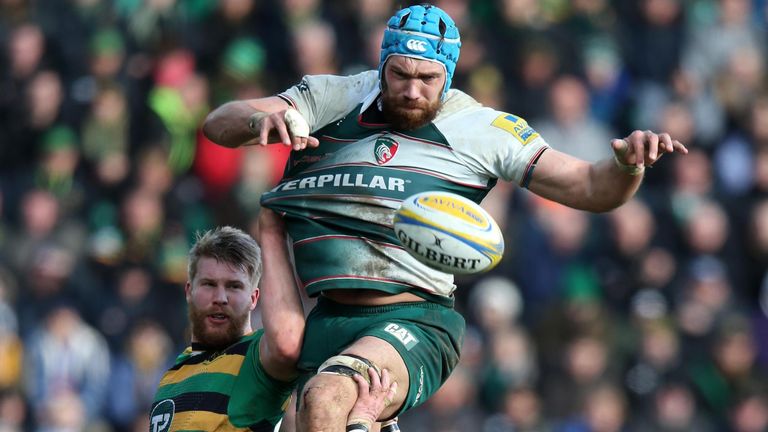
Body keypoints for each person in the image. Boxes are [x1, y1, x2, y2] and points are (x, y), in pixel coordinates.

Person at [202, 4, 688, 431]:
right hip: (325, 315)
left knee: (329, 397)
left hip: (415, 318)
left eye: (427, 78)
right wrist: (255, 121)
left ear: (449, 74)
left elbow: (589, 187)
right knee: (250, 417)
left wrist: (627, 165)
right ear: (382, 65)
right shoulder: (332, 97)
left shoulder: (484, 129)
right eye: (400, 74)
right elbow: (218, 122)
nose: (412, 90)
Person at [150, 210, 397, 432]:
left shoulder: (254, 356)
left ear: (254, 298)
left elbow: (286, 343)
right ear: (189, 291)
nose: (221, 297)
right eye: (209, 284)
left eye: (234, 286)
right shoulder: (171, 375)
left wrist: (272, 232)